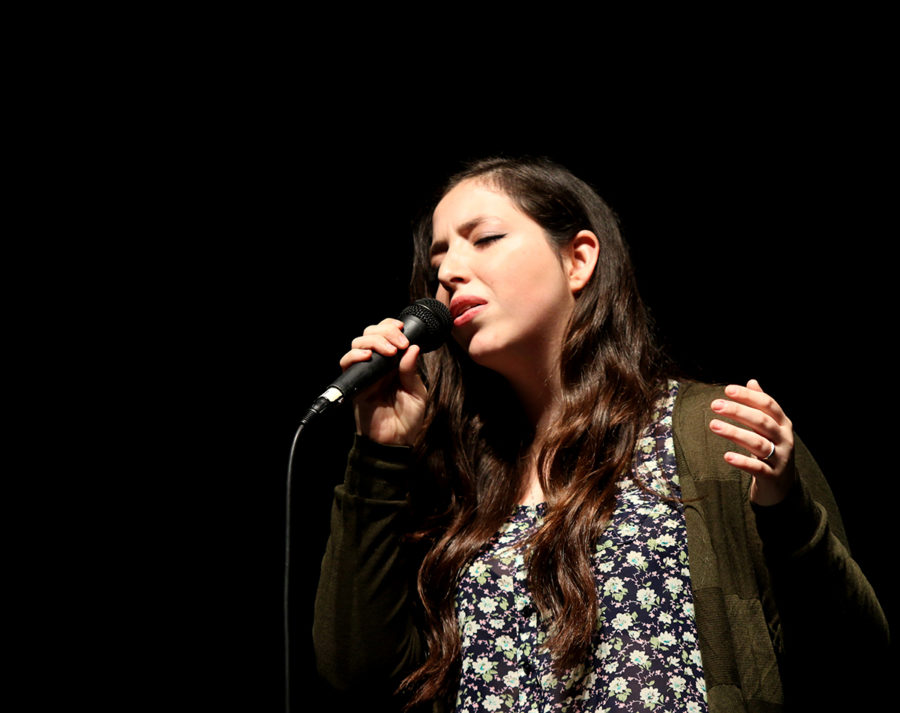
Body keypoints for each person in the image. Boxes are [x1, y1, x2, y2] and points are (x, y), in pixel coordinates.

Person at [312, 156, 890, 712]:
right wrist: (378, 456)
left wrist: (785, 512)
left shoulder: (712, 431)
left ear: (578, 259)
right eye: (438, 257)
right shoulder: (456, 473)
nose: (448, 271)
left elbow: (852, 661)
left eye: (483, 238)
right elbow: (357, 676)